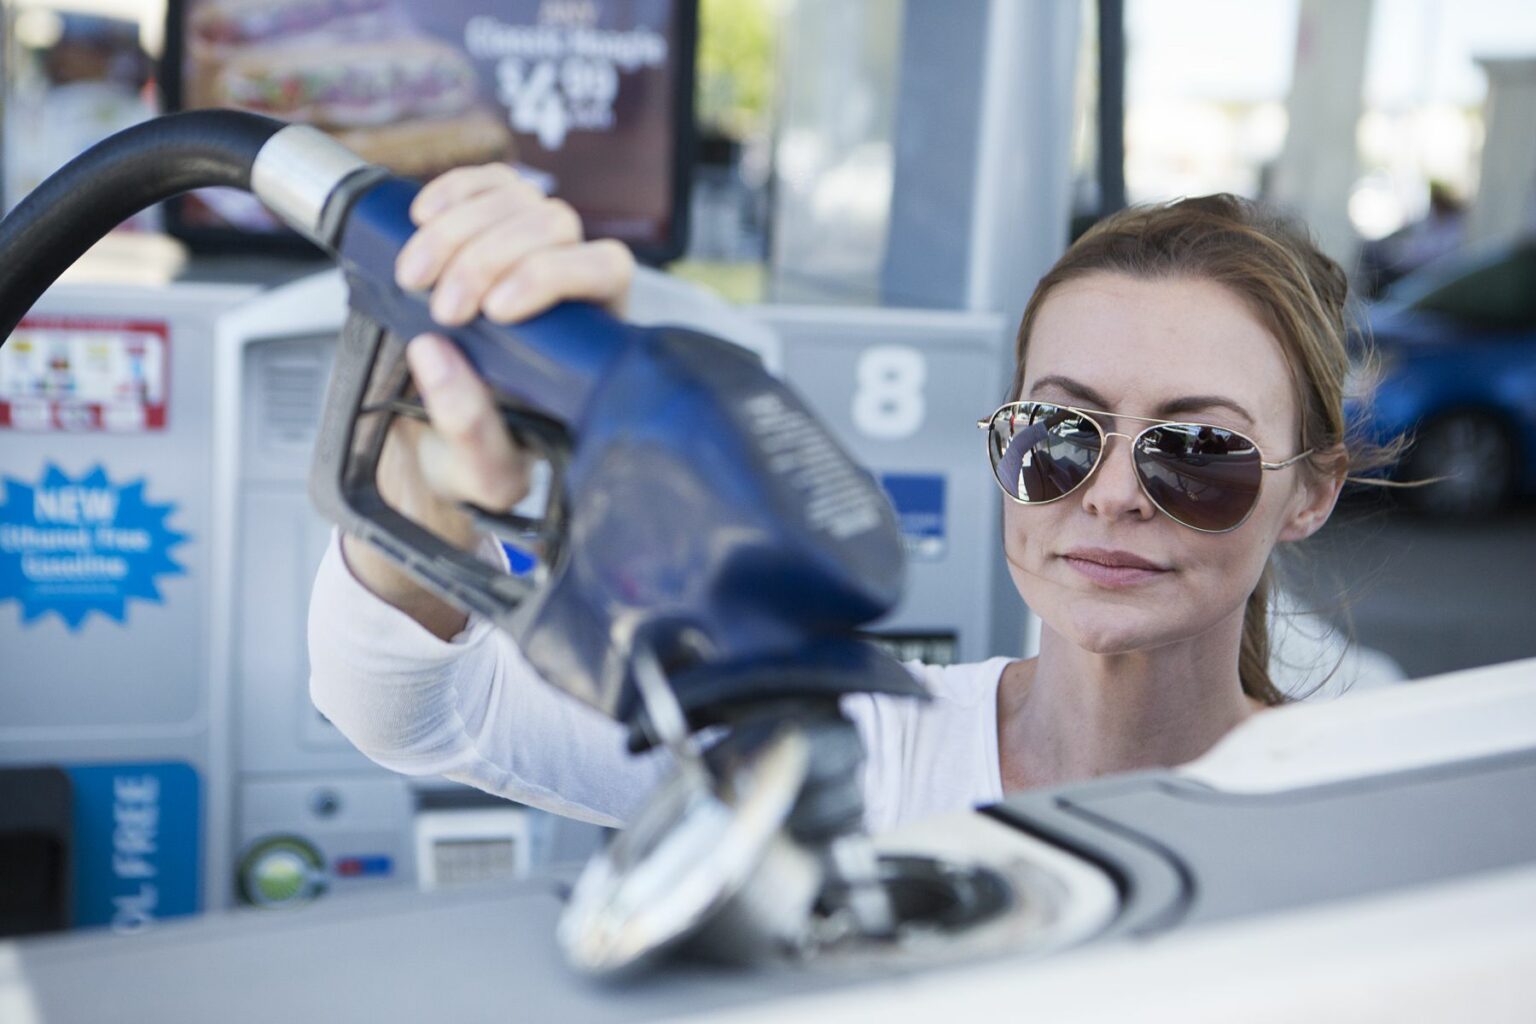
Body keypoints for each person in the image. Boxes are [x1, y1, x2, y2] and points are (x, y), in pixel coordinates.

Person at [308, 167, 1368, 833]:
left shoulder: (1375, 797)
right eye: (1060, 434)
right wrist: (416, 461)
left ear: (1311, 488)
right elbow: (425, 710)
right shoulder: (842, 750)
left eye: (1197, 449)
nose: (1114, 495)